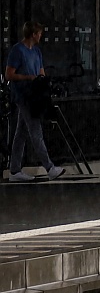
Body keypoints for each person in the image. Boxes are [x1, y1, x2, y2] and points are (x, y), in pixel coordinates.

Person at [5, 21, 64, 182]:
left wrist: (44, 82)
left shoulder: (37, 52)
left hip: (35, 95)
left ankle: (15, 169)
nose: (40, 36)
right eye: (39, 34)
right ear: (33, 34)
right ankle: (49, 167)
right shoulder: (17, 51)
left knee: (21, 133)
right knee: (35, 130)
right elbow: (9, 75)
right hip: (24, 95)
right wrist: (28, 78)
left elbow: (41, 72)